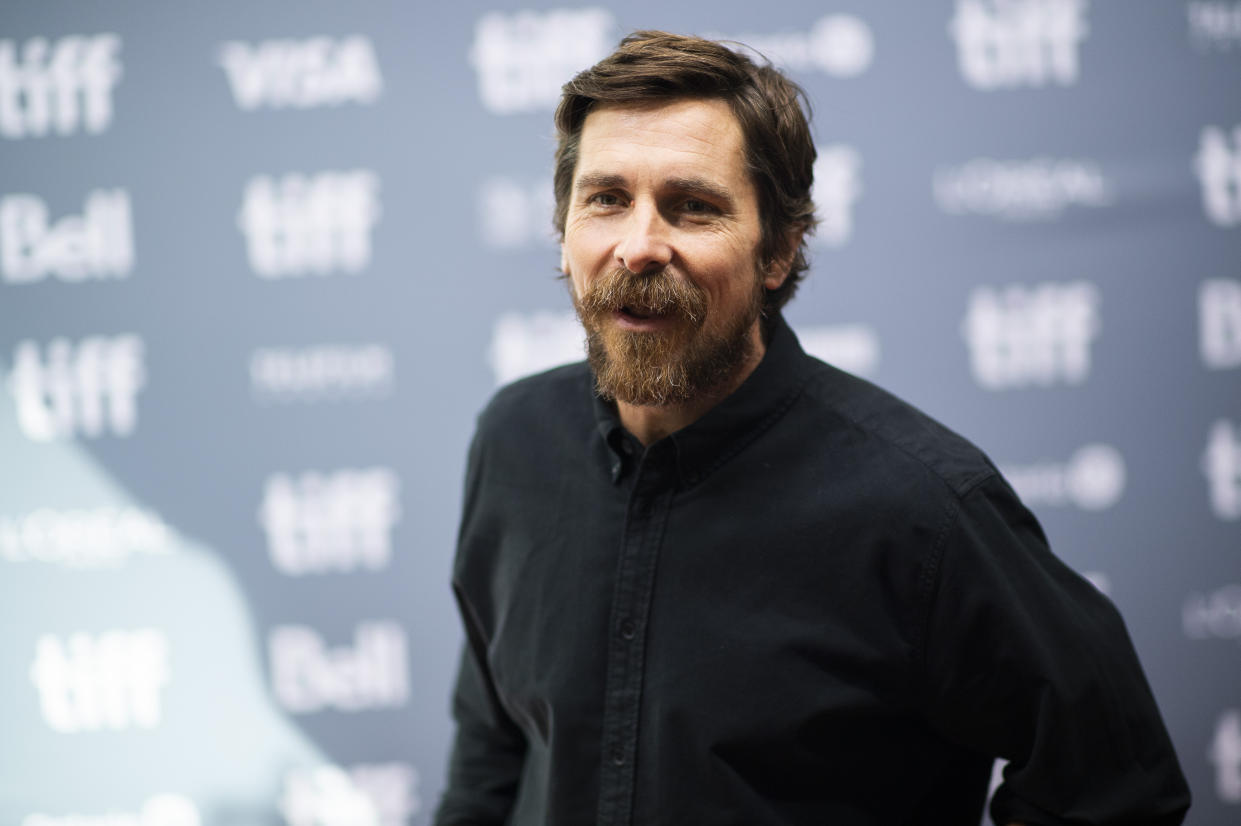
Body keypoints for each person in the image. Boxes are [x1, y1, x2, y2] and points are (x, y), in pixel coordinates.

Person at [434, 31, 1191, 826]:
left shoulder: (922, 509)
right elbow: (492, 741)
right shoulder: (514, 441)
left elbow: (1117, 788)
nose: (639, 245)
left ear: (779, 248)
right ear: (564, 228)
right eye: (606, 199)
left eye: (692, 206)